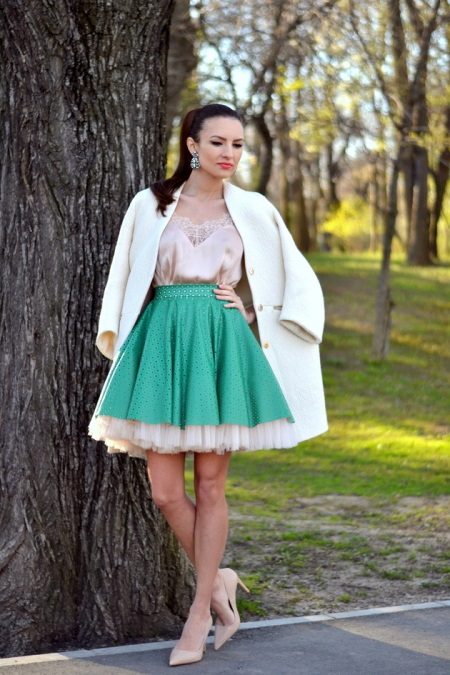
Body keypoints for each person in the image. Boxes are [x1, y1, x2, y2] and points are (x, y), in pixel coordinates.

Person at [88, 103, 327, 666]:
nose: (230, 154)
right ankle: (219, 578)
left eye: (238, 145)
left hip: (221, 345)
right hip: (163, 340)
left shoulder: (254, 209)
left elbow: (294, 276)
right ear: (192, 145)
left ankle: (200, 614)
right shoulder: (151, 204)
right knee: (165, 492)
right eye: (218, 142)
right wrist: (118, 337)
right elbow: (124, 275)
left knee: (212, 486)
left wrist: (252, 311)